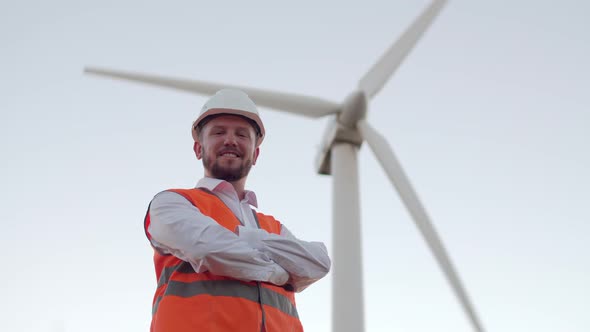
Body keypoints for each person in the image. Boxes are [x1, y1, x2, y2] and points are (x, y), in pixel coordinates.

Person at [143, 88, 331, 332]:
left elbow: (318, 263)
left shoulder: (271, 224)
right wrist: (282, 271)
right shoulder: (172, 204)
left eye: (242, 135)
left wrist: (248, 238)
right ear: (198, 148)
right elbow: (208, 248)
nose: (230, 140)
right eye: (219, 132)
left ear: (256, 154)